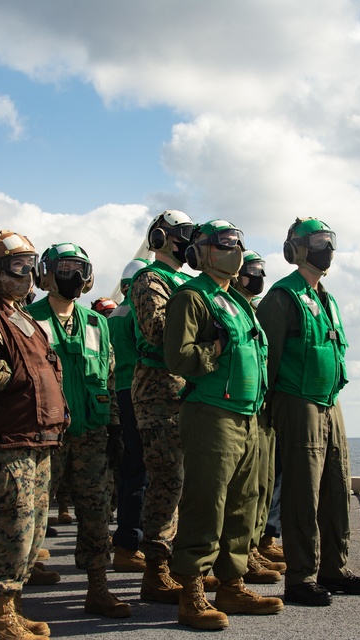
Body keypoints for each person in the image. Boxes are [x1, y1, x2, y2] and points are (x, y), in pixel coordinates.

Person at [164, 220, 283, 630]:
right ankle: (191, 593)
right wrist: (214, 348)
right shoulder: (192, 297)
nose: (236, 249)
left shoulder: (240, 302)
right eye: (226, 243)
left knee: (242, 503)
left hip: (247, 416)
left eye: (239, 242)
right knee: (206, 503)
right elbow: (178, 359)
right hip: (211, 413)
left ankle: (231, 585)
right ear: (203, 252)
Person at [257, 217, 360, 607]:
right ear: (297, 249)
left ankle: (334, 569)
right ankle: (301, 577)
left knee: (337, 486)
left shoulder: (326, 297)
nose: (327, 248)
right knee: (302, 492)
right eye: (319, 241)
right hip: (297, 399)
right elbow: (266, 360)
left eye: (330, 240)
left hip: (329, 400)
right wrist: (267, 413)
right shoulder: (282, 297)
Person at [0, 229, 68, 640]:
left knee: (32, 530)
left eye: (30, 265)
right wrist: (30, 380)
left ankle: (14, 607)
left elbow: (48, 370)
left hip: (37, 438)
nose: (28, 274)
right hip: (4, 442)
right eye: (19, 266)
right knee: (11, 528)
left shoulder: (22, 316)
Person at [27, 242, 130, 618]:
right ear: (47, 273)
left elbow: (110, 375)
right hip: (45, 435)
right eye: (65, 266)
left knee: (96, 511)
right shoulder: (28, 319)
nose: (73, 274)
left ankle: (98, 588)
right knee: (33, 514)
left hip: (92, 434)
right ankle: (14, 593)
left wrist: (116, 427)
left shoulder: (96, 323)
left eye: (79, 267)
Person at [129, 210, 195, 603]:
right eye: (183, 235)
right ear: (161, 238)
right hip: (158, 392)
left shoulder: (186, 282)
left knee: (186, 482)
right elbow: (158, 331)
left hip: (187, 392)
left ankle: (181, 564)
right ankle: (156, 569)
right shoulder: (149, 280)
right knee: (167, 481)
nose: (189, 242)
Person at [231, 250, 286, 584]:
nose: (257, 276)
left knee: (263, 484)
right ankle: (239, 555)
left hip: (261, 405)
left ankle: (257, 543)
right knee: (241, 489)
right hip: (238, 408)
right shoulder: (228, 308)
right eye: (251, 270)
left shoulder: (254, 311)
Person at [108, 258, 150, 573]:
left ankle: (126, 538)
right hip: (140, 392)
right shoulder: (137, 313)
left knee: (127, 469)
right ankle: (131, 542)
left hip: (119, 392)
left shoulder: (112, 315)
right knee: (143, 469)